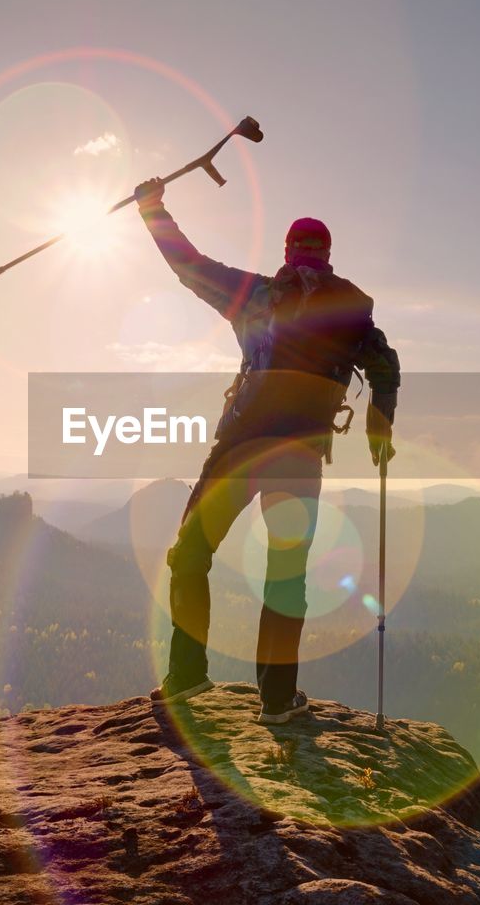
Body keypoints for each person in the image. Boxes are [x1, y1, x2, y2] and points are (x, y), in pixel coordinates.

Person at [135, 177, 399, 724]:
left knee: (190, 554)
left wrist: (151, 208)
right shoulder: (350, 310)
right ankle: (277, 700)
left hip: (240, 445)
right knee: (285, 575)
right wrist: (379, 423)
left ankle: (187, 677)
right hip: (298, 456)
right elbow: (384, 363)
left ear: (286, 254)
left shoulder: (254, 295)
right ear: (327, 258)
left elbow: (189, 266)